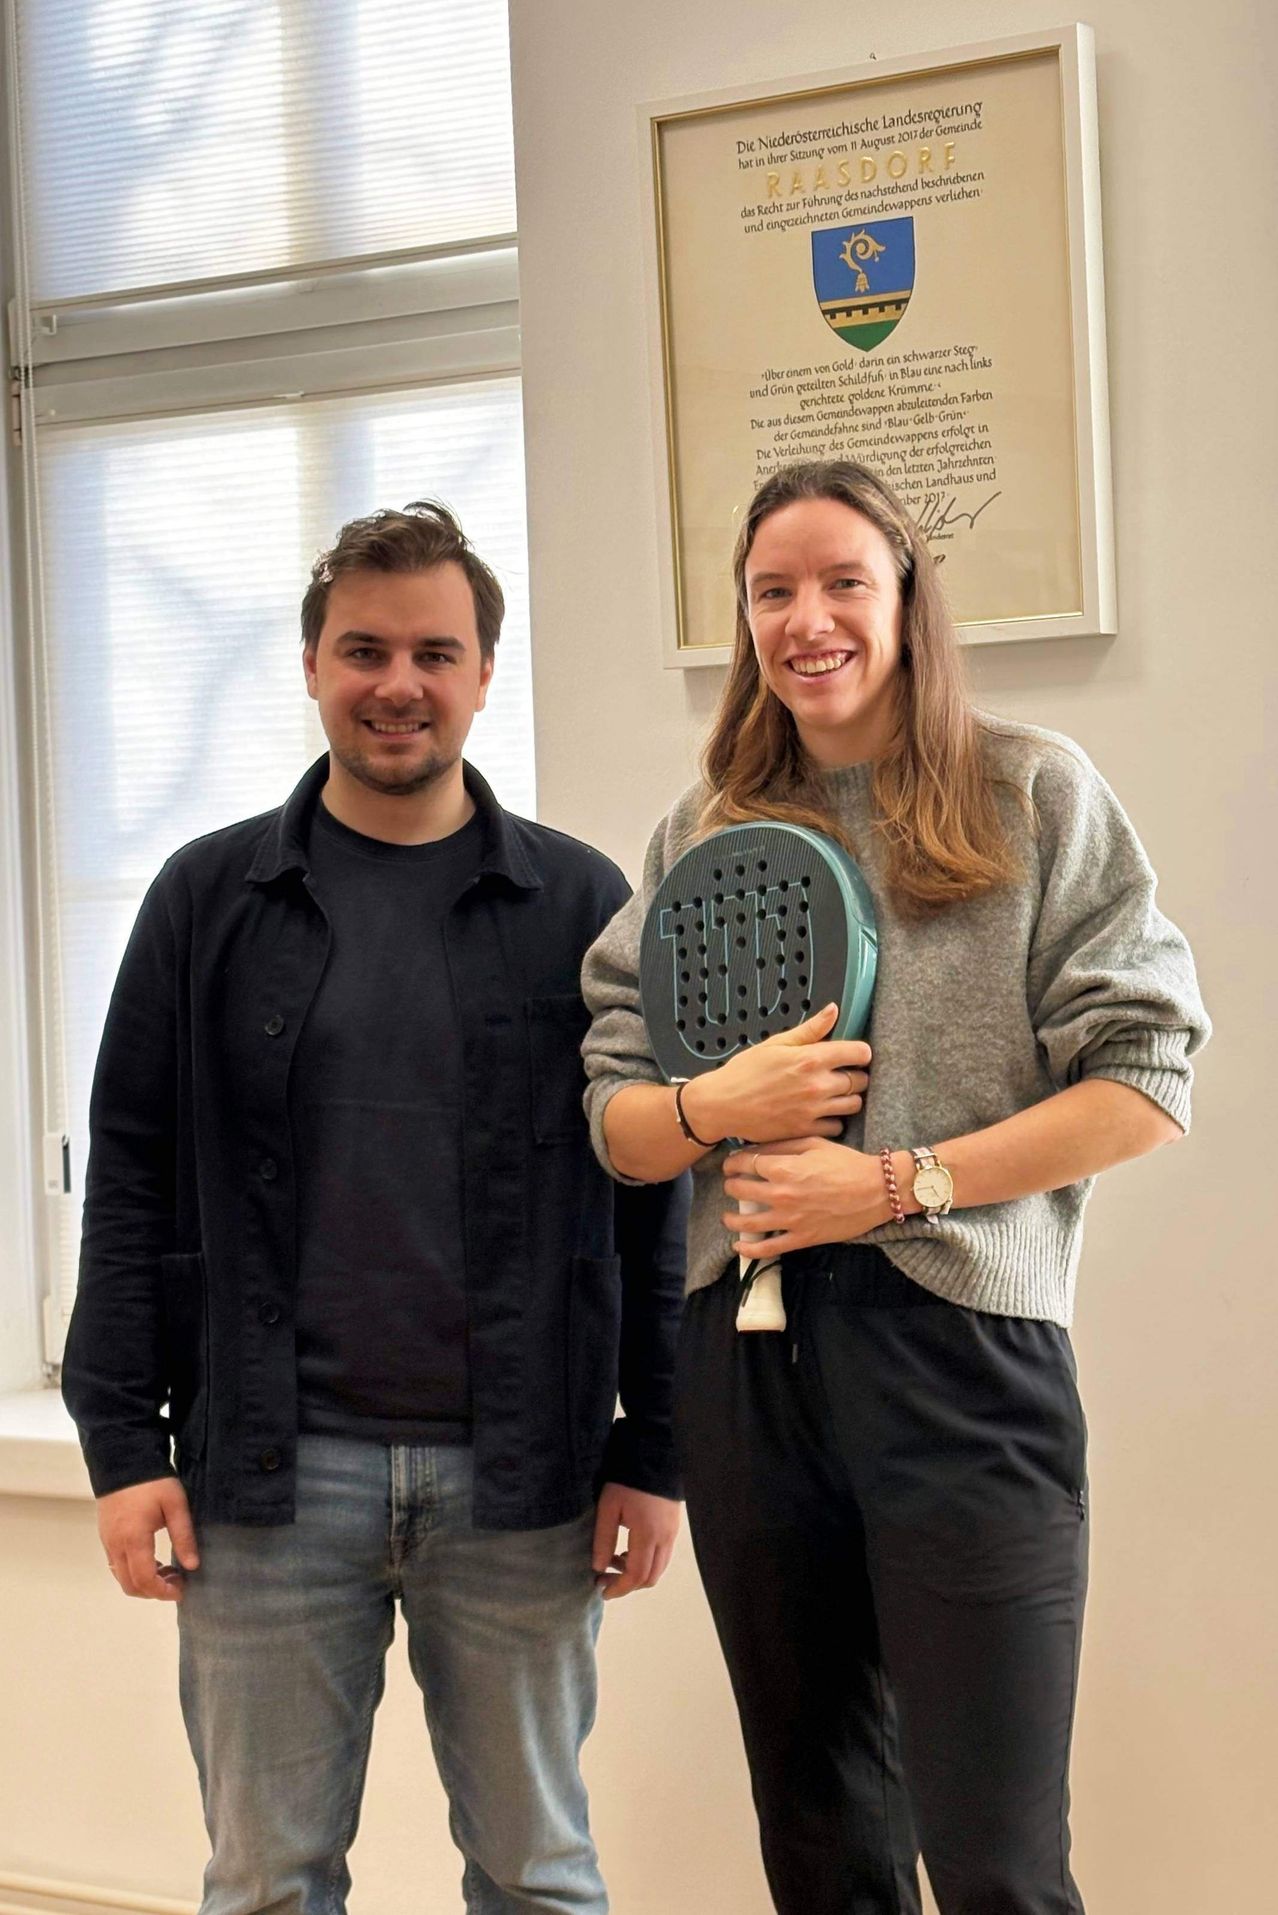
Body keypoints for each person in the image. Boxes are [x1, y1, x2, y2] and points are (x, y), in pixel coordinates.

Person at [581, 460, 1209, 1915]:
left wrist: (894, 1184)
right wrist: (701, 1108)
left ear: (907, 600)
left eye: (841, 582)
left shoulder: (1030, 791)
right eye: (771, 592)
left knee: (991, 1860)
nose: (806, 620)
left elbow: (1142, 1084)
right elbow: (614, 1121)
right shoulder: (703, 832)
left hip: (961, 1364)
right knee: (819, 1846)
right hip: (743, 1377)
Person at [62, 500, 687, 1915]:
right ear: (309, 665)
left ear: (479, 674)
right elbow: (132, 1166)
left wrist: (658, 1449)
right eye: (363, 649)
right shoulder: (204, 898)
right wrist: (117, 1442)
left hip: (522, 1483)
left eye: (432, 652)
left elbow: (659, 1203)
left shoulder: (579, 901)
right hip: (268, 1485)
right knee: (269, 1882)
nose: (396, 682)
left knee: (539, 1876)